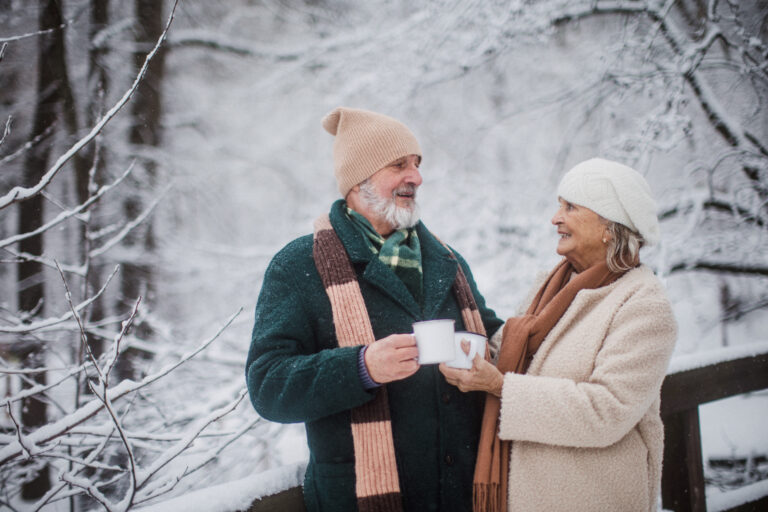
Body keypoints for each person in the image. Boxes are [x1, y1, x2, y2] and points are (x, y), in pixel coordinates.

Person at [246, 106, 503, 511]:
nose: (416, 177)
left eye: (417, 164)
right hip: (358, 500)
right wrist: (361, 367)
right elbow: (268, 387)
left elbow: (493, 338)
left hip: (460, 496)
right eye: (399, 165)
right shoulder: (299, 266)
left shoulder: (447, 261)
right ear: (359, 179)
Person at [440, 158, 677, 512]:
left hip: (591, 498)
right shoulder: (550, 287)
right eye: (558, 205)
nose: (555, 218)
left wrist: (500, 387)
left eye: (570, 207)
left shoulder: (644, 306)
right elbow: (509, 349)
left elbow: (606, 412)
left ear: (609, 227)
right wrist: (467, 348)